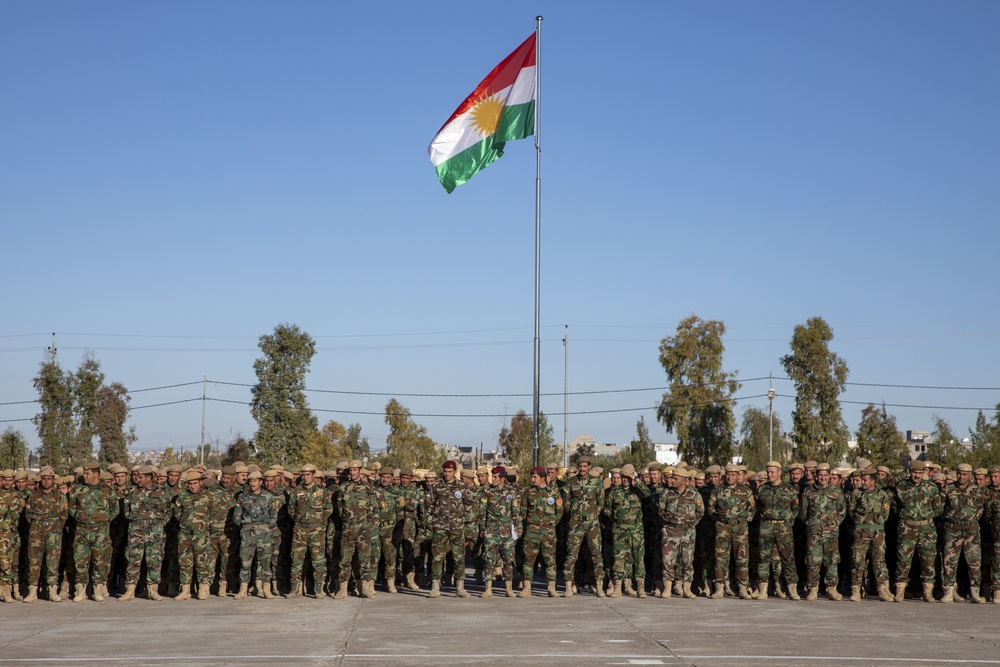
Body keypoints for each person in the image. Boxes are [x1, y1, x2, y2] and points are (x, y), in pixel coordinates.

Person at [893, 460, 942, 603]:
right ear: (910, 472)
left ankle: (928, 592)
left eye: (920, 473)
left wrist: (926, 517)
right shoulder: (901, 487)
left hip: (926, 528)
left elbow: (937, 507)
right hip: (907, 528)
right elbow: (895, 506)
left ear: (924, 473)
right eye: (914, 472)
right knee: (903, 560)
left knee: (928, 560)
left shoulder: (931, 487)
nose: (917, 475)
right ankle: (900, 591)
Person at [119, 465, 170, 601]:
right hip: (136, 529)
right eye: (137, 476)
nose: (138, 479)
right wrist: (136, 520)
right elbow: (126, 510)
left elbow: (167, 512)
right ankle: (130, 590)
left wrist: (157, 524)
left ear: (150, 477)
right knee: (133, 559)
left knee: (154, 559)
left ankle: (152, 590)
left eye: (141, 477)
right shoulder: (131, 491)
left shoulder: (161, 492)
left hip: (155, 530)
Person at [708, 463, 756, 600]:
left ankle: (742, 588)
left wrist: (746, 520)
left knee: (742, 558)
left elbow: (752, 508)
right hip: (723, 528)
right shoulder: (718, 490)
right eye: (728, 474)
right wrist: (717, 520)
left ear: (738, 476)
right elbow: (710, 508)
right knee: (721, 558)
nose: (730, 477)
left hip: (740, 528)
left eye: (733, 475)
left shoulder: (745, 490)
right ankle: (720, 588)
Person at [940, 463, 985, 603]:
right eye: (959, 473)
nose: (961, 476)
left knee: (974, 562)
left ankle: (975, 591)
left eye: (965, 474)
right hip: (952, 529)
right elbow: (940, 508)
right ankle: (948, 591)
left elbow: (980, 509)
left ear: (969, 475)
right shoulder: (948, 489)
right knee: (949, 561)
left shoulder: (977, 490)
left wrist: (970, 520)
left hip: (971, 530)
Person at [560, 456, 605, 598]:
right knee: (571, 555)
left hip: (592, 523)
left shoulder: (596, 482)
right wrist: (574, 515)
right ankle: (568, 585)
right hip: (576, 523)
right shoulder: (571, 482)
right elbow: (566, 503)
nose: (582, 469)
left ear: (589, 466)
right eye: (580, 466)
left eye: (585, 466)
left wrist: (593, 515)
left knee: (596, 555)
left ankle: (599, 585)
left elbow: (601, 502)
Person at [800, 463, 846, 601]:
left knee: (832, 561)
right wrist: (811, 524)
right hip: (814, 533)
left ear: (830, 476)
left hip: (831, 533)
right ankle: (812, 589)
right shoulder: (808, 491)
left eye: (826, 475)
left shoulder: (837, 492)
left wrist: (834, 525)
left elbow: (842, 511)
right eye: (820, 475)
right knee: (813, 561)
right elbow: (803, 513)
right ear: (816, 476)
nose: (823, 478)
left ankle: (832, 589)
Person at [846, 468, 892, 602]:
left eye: (865, 480)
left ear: (873, 481)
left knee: (879, 562)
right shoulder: (856, 494)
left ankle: (882, 590)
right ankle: (856, 590)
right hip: (860, 531)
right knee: (857, 561)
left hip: (877, 531)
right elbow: (851, 511)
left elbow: (885, 514)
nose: (863, 483)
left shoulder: (882, 494)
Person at [23, 467, 68, 603]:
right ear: (41, 480)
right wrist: (38, 524)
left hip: (53, 533)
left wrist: (53, 526)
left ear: (53, 480)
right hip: (36, 533)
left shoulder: (60, 496)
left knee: (53, 562)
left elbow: (63, 516)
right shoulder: (33, 496)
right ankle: (32, 590)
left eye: (49, 479)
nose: (46, 482)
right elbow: (28, 515)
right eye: (44, 479)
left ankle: (52, 590)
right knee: (34, 561)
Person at [658, 467, 704, 599]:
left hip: (687, 532)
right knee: (668, 560)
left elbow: (700, 512)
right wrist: (670, 522)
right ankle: (667, 588)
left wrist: (690, 524)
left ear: (683, 481)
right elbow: (660, 511)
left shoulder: (694, 494)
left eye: (675, 478)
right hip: (670, 532)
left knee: (687, 561)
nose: (672, 480)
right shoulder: (667, 493)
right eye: (672, 478)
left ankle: (687, 588)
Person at [287, 463, 332, 598]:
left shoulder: (323, 491)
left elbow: (328, 509)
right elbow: (291, 509)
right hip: (300, 530)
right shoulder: (296, 491)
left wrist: (319, 522)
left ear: (313, 475)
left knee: (318, 560)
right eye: (303, 475)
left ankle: (319, 589)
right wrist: (299, 520)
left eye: (308, 475)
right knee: (296, 559)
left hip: (316, 530)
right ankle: (294, 589)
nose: (305, 477)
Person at [520, 466, 563, 598]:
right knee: (528, 560)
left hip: (548, 532)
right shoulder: (528, 492)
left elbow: (559, 512)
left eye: (535, 477)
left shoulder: (553, 492)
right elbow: (523, 511)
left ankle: (551, 587)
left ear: (543, 478)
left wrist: (549, 525)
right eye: (531, 477)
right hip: (532, 532)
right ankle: (527, 588)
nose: (532, 480)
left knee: (550, 560)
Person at [233, 471, 277, 599]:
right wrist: (244, 527)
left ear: (261, 482)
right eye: (251, 481)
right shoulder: (242, 497)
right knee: (245, 561)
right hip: (247, 533)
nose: (252, 483)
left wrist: (266, 528)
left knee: (265, 561)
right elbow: (236, 516)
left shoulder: (269, 497)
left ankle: (266, 588)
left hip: (263, 533)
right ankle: (243, 589)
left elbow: (273, 516)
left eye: (255, 481)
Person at [425, 460, 466, 598]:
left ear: (455, 472)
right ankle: (435, 587)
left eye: (450, 472)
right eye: (445, 472)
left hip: (457, 527)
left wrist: (463, 520)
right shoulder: (436, 486)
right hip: (440, 527)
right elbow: (428, 505)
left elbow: (470, 505)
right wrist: (430, 522)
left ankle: (460, 587)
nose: (447, 474)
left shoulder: (462, 486)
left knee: (458, 557)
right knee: (437, 556)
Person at [172, 470, 213, 600]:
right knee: (184, 562)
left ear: (200, 483)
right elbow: (177, 513)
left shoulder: (208, 496)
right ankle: (185, 590)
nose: (192, 486)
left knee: (202, 562)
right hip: (185, 534)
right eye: (190, 484)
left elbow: (213, 513)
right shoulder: (182, 496)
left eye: (195, 483)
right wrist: (186, 523)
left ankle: (202, 588)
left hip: (201, 535)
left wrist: (203, 525)